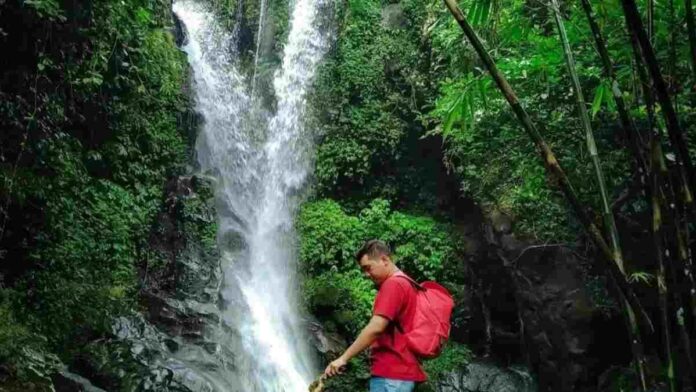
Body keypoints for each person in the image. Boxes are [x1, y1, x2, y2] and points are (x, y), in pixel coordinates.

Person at [323, 240, 426, 392]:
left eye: (368, 268)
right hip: (401, 373)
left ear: (385, 260)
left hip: (391, 375)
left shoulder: (393, 285)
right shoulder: (406, 282)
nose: (366, 274)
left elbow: (376, 328)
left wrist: (343, 358)